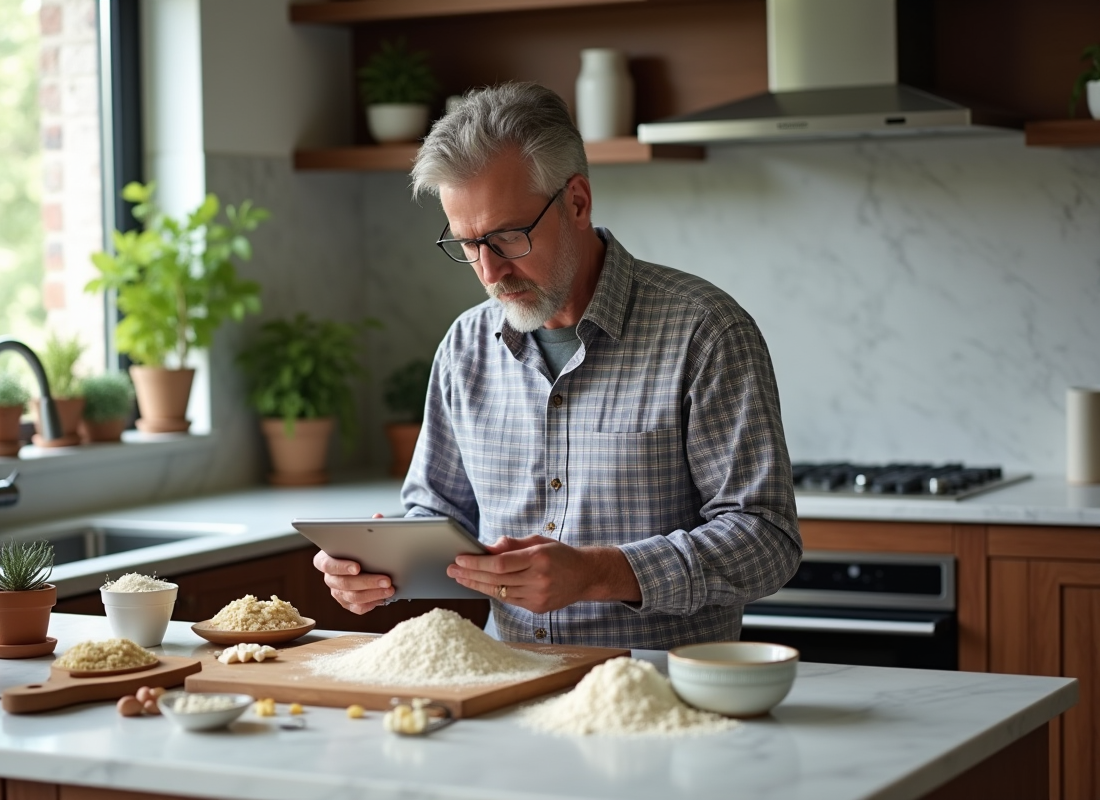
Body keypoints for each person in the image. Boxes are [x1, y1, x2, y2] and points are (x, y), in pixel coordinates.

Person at [314, 82, 801, 649]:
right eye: (468, 244)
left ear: (576, 201)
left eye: (507, 236)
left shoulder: (703, 331)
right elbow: (438, 512)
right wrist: (382, 565)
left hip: (664, 696)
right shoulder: (466, 346)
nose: (490, 271)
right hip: (506, 686)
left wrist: (600, 572)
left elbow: (767, 541)